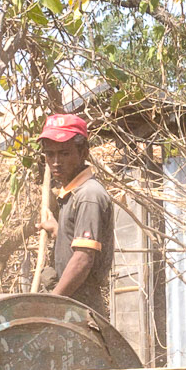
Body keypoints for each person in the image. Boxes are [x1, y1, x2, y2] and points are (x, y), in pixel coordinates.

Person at [37, 112, 116, 318]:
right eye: (50, 154)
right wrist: (57, 229)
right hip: (72, 301)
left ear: (83, 153)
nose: (55, 162)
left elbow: (82, 259)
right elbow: (76, 243)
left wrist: (53, 303)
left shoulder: (89, 195)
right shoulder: (73, 194)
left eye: (64, 154)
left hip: (80, 305)